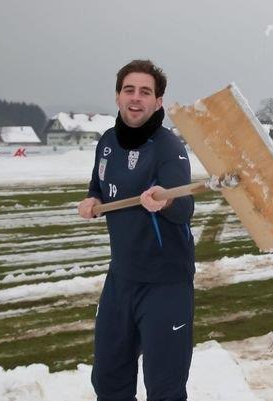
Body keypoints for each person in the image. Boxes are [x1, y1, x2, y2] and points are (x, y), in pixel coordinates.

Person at [78, 59, 195, 401]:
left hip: (165, 284)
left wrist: (166, 201)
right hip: (121, 280)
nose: (136, 97)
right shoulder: (107, 142)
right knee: (108, 380)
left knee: (164, 387)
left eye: (146, 92)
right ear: (117, 96)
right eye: (129, 89)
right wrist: (91, 198)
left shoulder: (168, 147)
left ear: (158, 102)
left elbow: (185, 208)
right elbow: (98, 184)